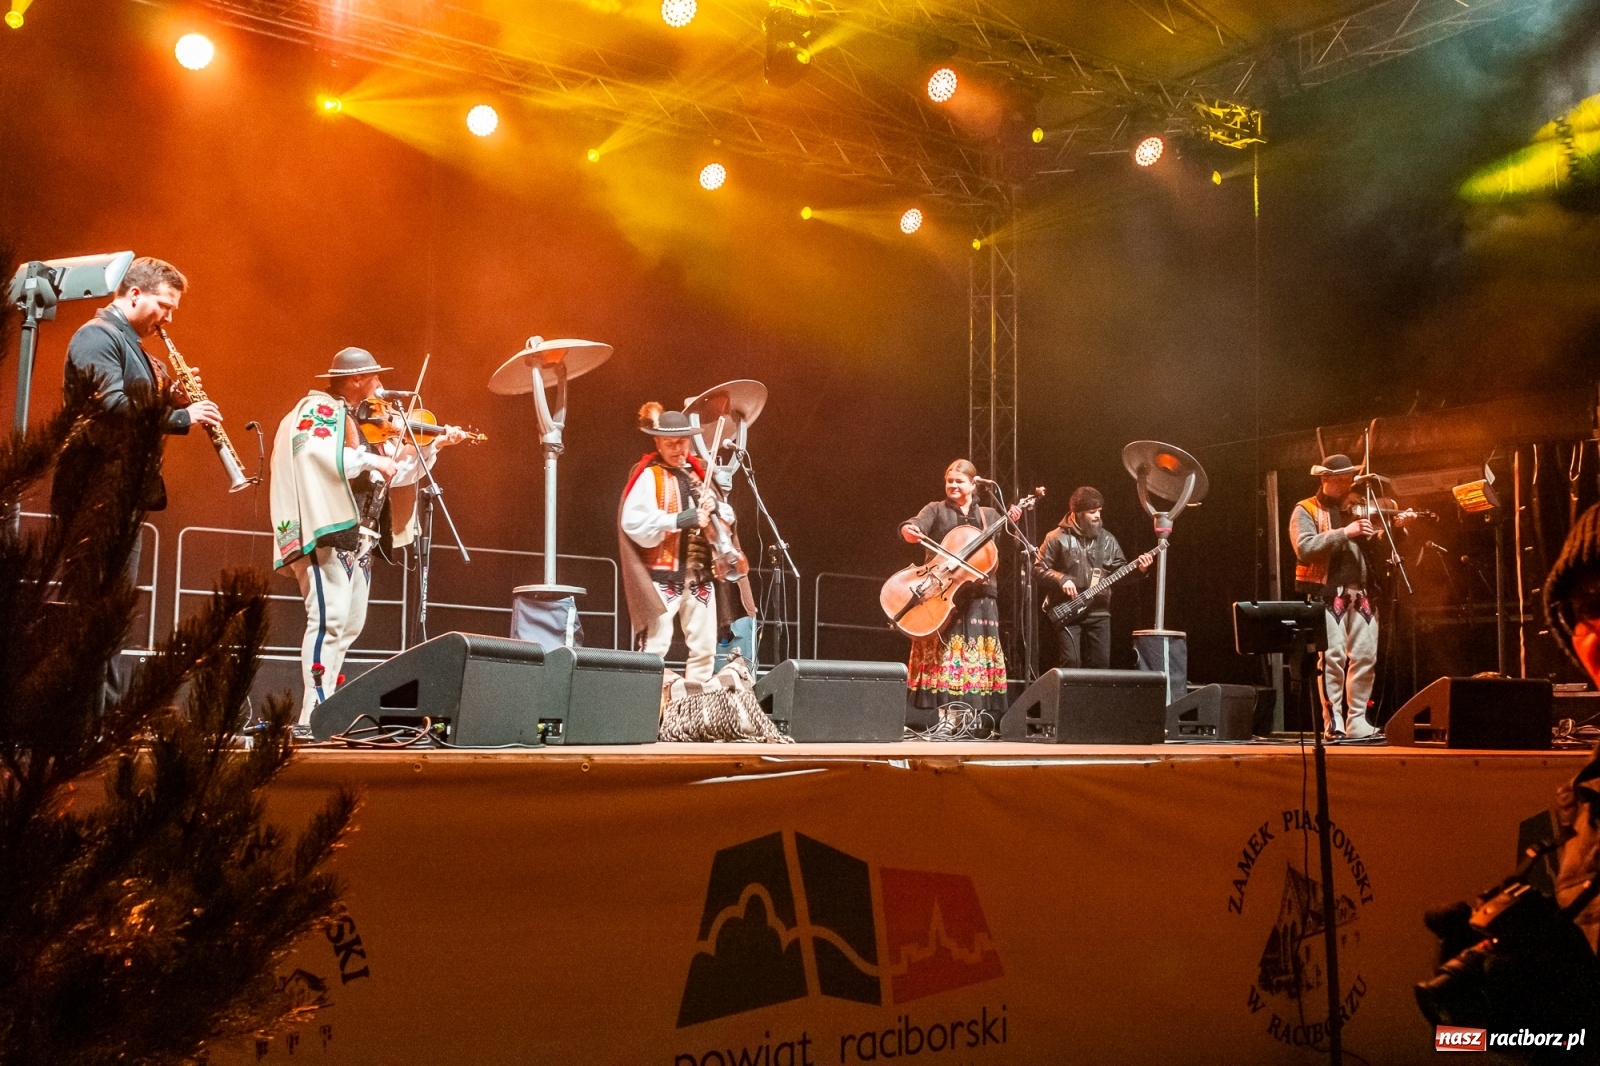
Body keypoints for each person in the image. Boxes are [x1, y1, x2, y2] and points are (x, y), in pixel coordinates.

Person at [269, 347, 469, 725]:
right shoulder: (320, 409)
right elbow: (313, 453)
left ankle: (324, 704)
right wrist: (372, 459)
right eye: (375, 378)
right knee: (328, 619)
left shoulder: (369, 424)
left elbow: (397, 473)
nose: (381, 385)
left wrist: (435, 444)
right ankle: (312, 713)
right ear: (357, 380)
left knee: (350, 623)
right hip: (330, 530)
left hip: (363, 534)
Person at [50, 255, 222, 520]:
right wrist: (183, 417)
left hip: (120, 489)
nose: (169, 318)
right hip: (94, 488)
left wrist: (171, 398)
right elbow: (110, 406)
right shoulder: (97, 334)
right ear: (135, 294)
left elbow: (135, 402)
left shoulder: (129, 343)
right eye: (165, 306)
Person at [619, 403, 753, 684]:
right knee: (655, 647)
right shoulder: (649, 475)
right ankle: (648, 709)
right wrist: (682, 518)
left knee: (704, 649)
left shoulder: (699, 474)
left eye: (682, 442)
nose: (678, 449)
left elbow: (727, 515)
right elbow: (632, 521)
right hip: (663, 574)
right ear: (658, 442)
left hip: (701, 575)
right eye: (671, 444)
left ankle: (695, 713)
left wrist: (715, 508)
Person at [1290, 453, 1411, 741]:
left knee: (1365, 656)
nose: (1348, 486)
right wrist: (1345, 531)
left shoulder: (1357, 508)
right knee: (1331, 657)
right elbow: (1304, 548)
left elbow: (1377, 548)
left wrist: (1398, 529)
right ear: (1326, 479)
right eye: (1342, 480)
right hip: (1327, 592)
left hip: (1362, 592)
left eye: (1349, 480)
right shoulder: (1306, 509)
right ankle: (1334, 723)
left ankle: (1357, 719)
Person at [899, 460, 1021, 726]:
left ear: (973, 484)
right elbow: (914, 525)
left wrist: (1009, 523)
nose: (952, 486)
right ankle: (947, 719)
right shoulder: (936, 509)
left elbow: (992, 552)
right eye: (949, 481)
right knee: (947, 656)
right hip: (943, 592)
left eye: (959, 481)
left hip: (981, 593)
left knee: (975, 657)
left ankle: (975, 719)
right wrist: (910, 530)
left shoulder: (989, 514)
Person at [1033, 486, 1153, 670]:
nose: (1098, 516)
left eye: (1099, 511)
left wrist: (1140, 570)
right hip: (1067, 608)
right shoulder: (1055, 537)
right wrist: (1061, 579)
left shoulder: (1107, 540)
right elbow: (1038, 569)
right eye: (1092, 512)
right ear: (1077, 513)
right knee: (1072, 663)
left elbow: (1119, 574)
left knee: (1101, 665)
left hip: (1099, 611)